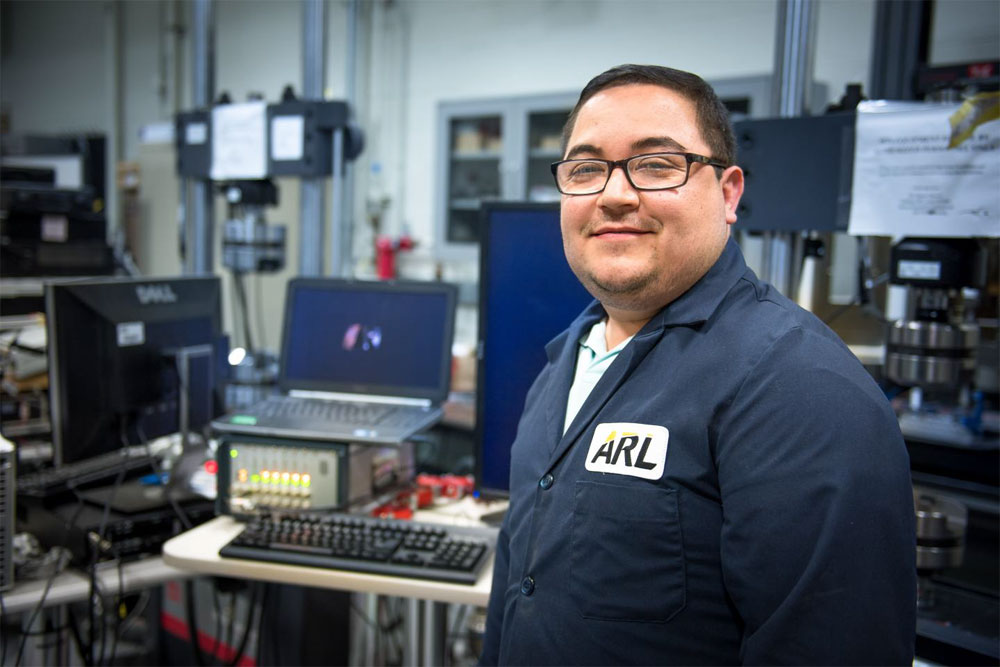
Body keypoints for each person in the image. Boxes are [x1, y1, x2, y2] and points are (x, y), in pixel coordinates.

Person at [479, 64, 916, 666]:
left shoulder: (799, 390)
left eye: (657, 164)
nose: (613, 194)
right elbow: (516, 597)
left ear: (729, 192)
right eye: (585, 169)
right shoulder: (564, 364)